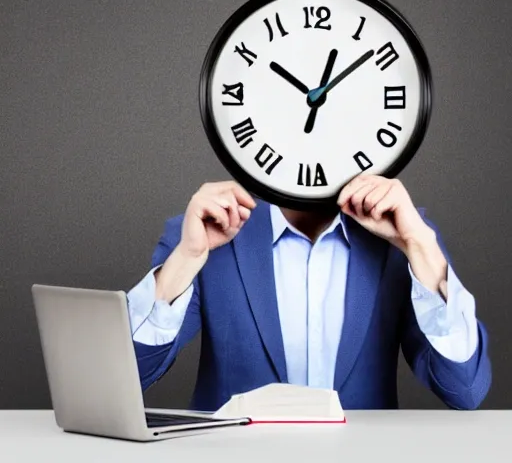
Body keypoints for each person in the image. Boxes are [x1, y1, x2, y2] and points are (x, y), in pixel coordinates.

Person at [127, 174, 491, 411]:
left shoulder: (406, 239)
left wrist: (419, 245)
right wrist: (186, 259)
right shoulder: (202, 232)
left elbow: (464, 389)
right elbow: (127, 377)